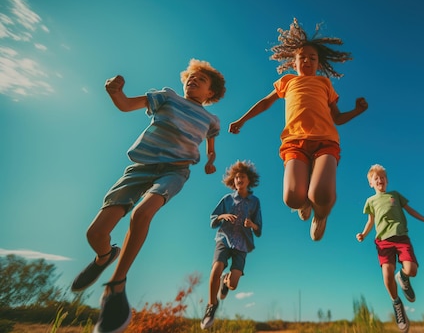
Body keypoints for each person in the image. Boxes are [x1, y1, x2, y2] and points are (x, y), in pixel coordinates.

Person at [71, 59, 226, 333]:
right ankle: (104, 257)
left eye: (200, 80)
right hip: (140, 168)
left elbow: (211, 145)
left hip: (175, 171)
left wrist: (210, 160)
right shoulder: (166, 97)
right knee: (95, 234)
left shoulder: (211, 120)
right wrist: (115, 93)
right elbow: (127, 104)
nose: (193, 80)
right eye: (190, 77)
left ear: (210, 93)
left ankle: (116, 287)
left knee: (143, 213)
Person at [229, 18, 368, 241]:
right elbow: (266, 102)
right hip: (295, 142)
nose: (307, 60)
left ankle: (320, 215)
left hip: (325, 141)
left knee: (320, 194)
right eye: (302, 57)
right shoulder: (288, 81)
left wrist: (357, 111)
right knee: (292, 199)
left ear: (318, 63)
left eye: (312, 58)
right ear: (294, 62)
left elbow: (338, 118)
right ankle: (304, 202)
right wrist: (242, 119)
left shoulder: (324, 84)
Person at [357, 164, 424, 333]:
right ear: (371, 183)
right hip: (383, 242)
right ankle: (396, 303)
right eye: (376, 178)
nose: (380, 180)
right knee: (386, 274)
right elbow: (370, 221)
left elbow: (410, 210)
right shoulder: (370, 201)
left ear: (386, 180)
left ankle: (402, 277)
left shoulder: (395, 195)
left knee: (412, 269)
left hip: (402, 238)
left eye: (382, 177)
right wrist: (363, 234)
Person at [201, 160, 262, 329]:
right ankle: (211, 306)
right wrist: (222, 216)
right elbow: (213, 219)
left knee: (233, 285)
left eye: (242, 176)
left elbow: (259, 228)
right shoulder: (227, 199)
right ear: (233, 181)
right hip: (224, 238)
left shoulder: (255, 202)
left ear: (249, 180)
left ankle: (226, 280)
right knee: (216, 268)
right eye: (236, 177)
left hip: (242, 245)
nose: (239, 179)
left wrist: (252, 225)